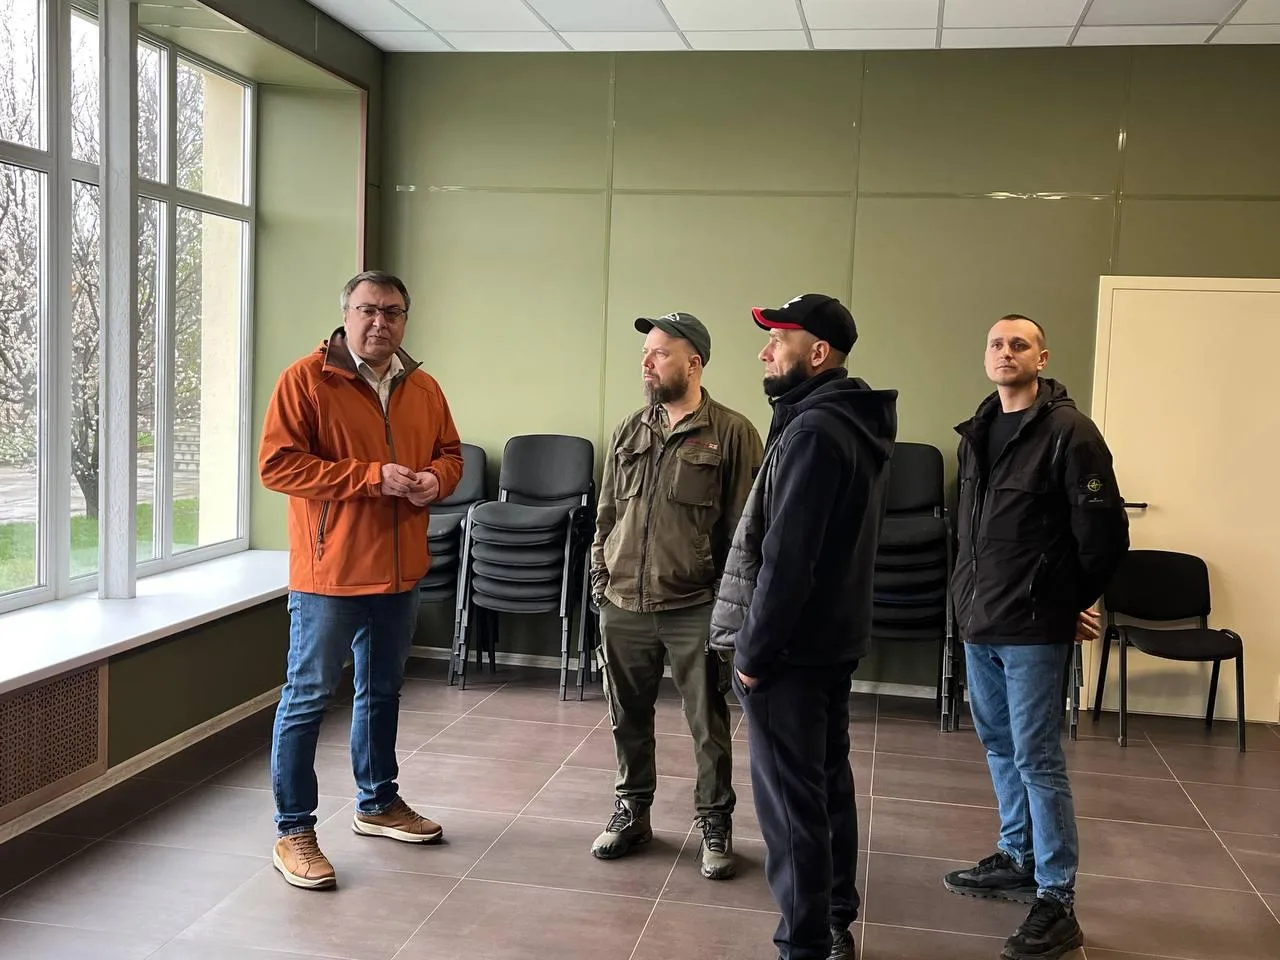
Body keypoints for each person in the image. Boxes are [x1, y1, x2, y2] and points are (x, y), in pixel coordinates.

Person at [258, 270, 464, 890]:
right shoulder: (306, 380)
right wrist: (371, 477)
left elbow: (451, 454)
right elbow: (278, 466)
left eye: (393, 312)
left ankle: (377, 802)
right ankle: (294, 830)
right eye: (368, 310)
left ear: (405, 320)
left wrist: (436, 481)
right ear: (346, 315)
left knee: (381, 691)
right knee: (307, 697)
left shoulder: (423, 386)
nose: (380, 322)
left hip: (400, 573)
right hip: (331, 573)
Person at [710, 294, 898, 960]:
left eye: (778, 340)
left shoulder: (815, 431)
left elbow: (789, 557)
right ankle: (835, 920)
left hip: (790, 650)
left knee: (792, 807)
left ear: (817, 353)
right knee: (826, 786)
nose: (765, 352)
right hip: (831, 640)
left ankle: (804, 943)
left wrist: (753, 653)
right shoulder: (848, 421)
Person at [944, 314, 1129, 959]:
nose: (1005, 352)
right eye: (996, 343)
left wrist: (1066, 603)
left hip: (1031, 628)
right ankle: (1018, 856)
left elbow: (1104, 536)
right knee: (999, 745)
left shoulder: (1071, 432)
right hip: (979, 620)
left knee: (1037, 757)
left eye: (1018, 344)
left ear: (1042, 357)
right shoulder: (977, 431)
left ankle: (1057, 898)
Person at [589, 311, 764, 880]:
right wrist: (601, 582)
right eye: (645, 353)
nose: (647, 362)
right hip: (623, 603)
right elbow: (607, 515)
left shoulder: (732, 432)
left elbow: (745, 531)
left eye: (660, 353)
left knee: (707, 724)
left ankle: (714, 822)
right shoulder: (629, 429)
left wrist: (727, 608)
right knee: (626, 716)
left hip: (695, 605)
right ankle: (632, 810)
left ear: (694, 362)